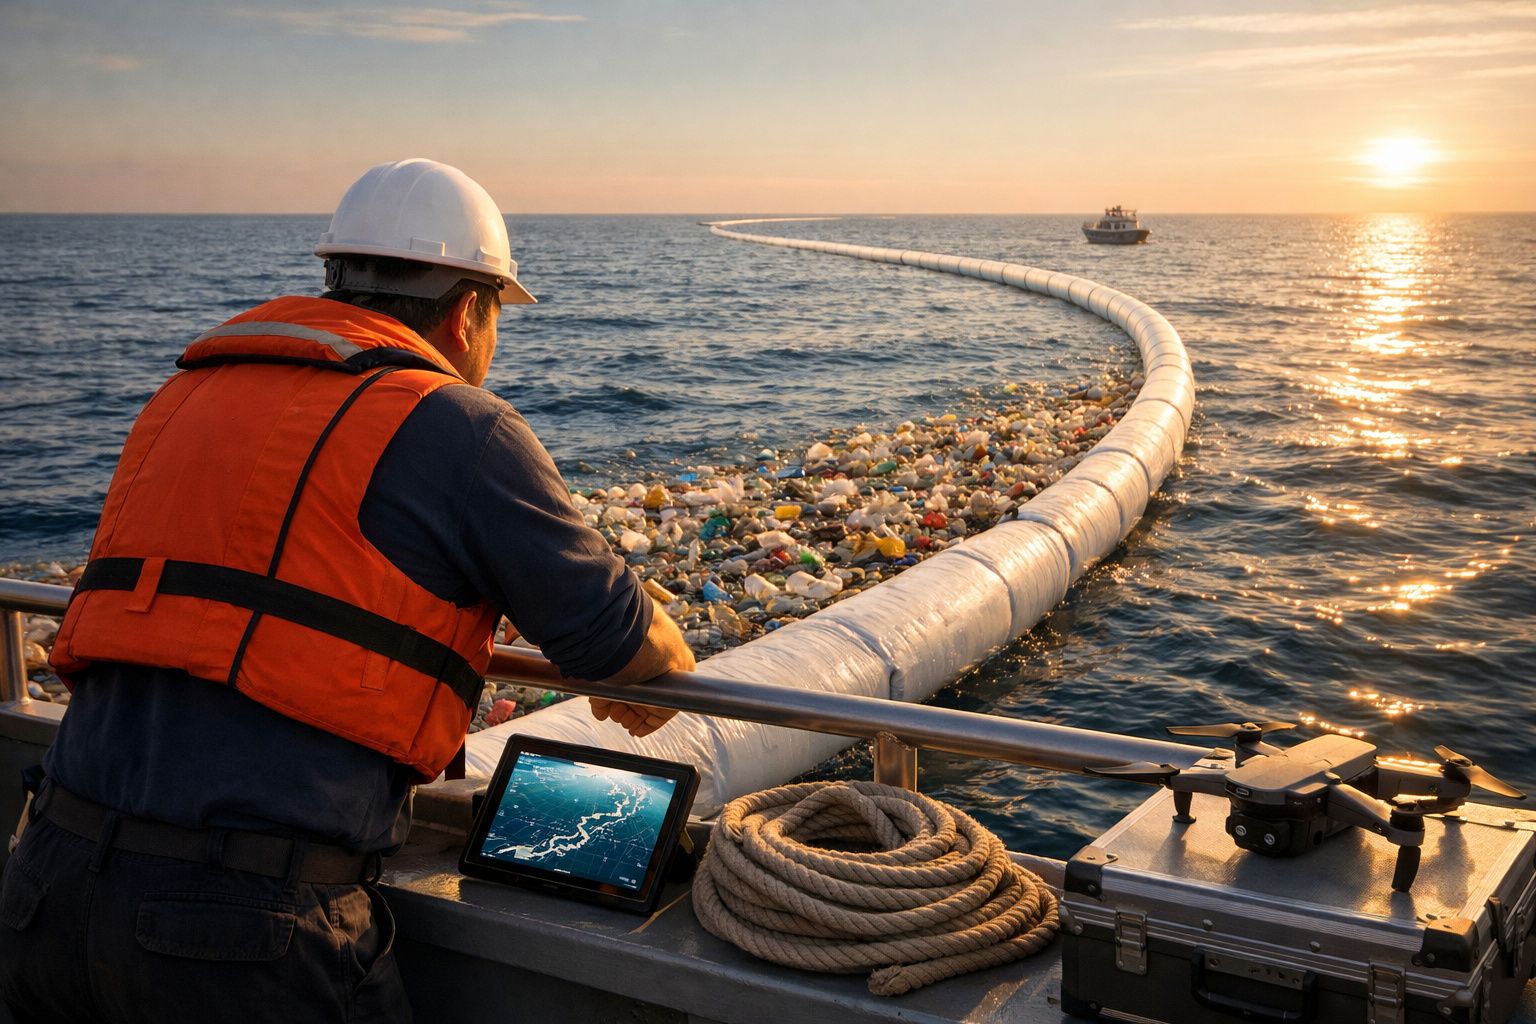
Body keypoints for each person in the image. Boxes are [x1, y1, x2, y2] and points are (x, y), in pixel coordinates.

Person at [0, 159, 695, 1023]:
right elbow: (619, 645)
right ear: (469, 310)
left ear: (336, 280)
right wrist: (659, 636)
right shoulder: (459, 425)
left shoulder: (183, 394)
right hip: (242, 930)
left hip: (44, 881)